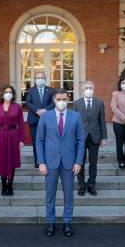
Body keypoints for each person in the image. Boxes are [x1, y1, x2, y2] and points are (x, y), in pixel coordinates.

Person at [36, 88, 85, 237]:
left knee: (68, 194)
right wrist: (41, 162)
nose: (61, 102)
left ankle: (67, 222)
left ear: (68, 100)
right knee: (50, 194)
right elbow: (39, 140)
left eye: (64, 99)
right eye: (59, 99)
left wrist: (78, 162)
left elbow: (80, 141)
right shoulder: (45, 117)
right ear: (54, 100)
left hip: (69, 163)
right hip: (50, 162)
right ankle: (50, 222)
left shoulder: (76, 117)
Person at [72, 81, 107, 196]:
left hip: (95, 137)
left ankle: (91, 185)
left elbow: (102, 120)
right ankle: (81, 185)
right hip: (80, 138)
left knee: (93, 163)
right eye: (86, 88)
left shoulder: (99, 103)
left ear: (94, 89)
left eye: (91, 87)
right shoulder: (77, 103)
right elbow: (74, 122)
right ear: (82, 89)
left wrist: (104, 137)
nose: (89, 90)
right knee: (80, 162)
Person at [0, 85, 25, 196]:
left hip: (13, 136)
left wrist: (21, 140)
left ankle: (10, 184)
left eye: (10, 92)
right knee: (2, 160)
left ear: (13, 94)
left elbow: (21, 125)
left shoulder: (17, 107)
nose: (8, 94)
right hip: (0, 136)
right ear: (2, 94)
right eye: (6, 92)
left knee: (12, 160)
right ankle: (3, 184)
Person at [26, 71, 55, 168]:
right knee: (36, 142)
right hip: (34, 120)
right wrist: (37, 111)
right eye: (38, 78)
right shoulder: (31, 90)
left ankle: (46, 160)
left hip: (48, 120)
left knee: (47, 141)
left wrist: (45, 110)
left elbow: (54, 103)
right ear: (35, 80)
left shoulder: (51, 90)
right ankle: (37, 161)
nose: (40, 79)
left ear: (45, 79)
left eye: (42, 78)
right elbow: (28, 103)